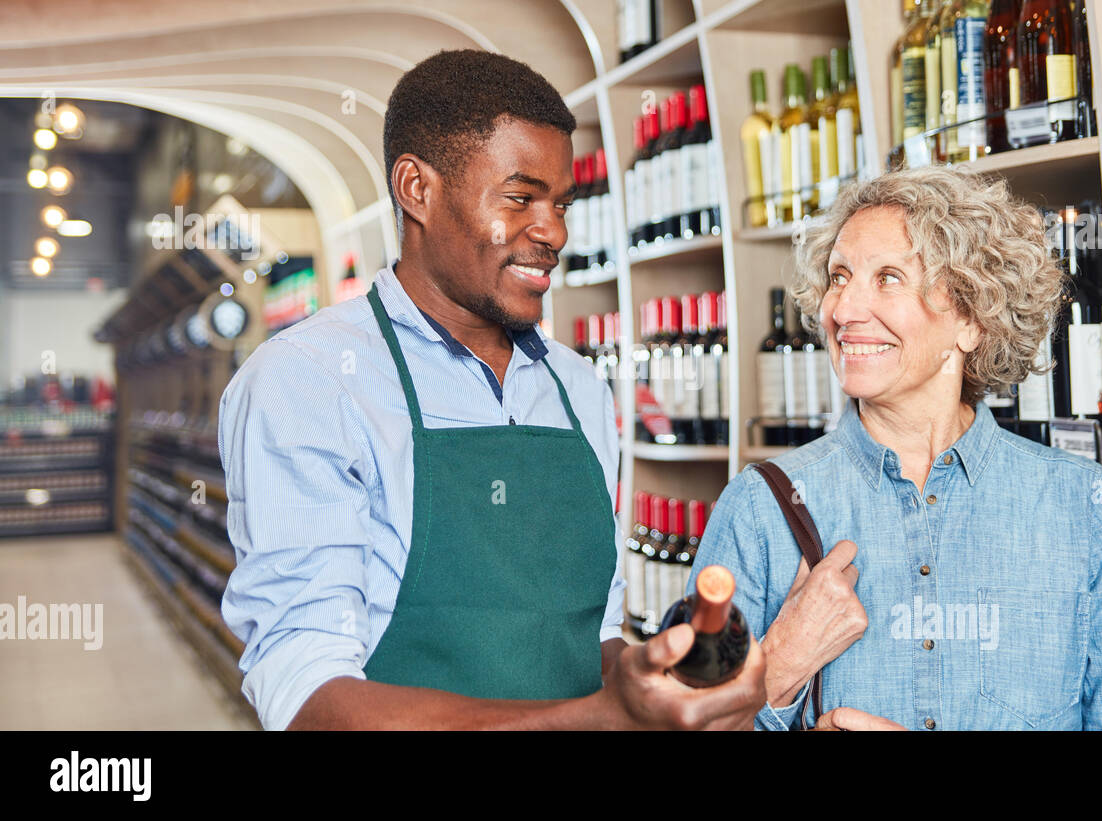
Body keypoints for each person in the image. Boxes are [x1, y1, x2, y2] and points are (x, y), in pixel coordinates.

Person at [219, 49, 764, 730]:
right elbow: (309, 697)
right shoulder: (308, 382)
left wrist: (654, 685)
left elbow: (588, 635)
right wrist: (603, 717)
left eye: (561, 203)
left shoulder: (579, 390)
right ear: (417, 189)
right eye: (520, 198)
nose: (555, 232)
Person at [692, 166, 1102, 731]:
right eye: (838, 277)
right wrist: (779, 665)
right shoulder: (758, 509)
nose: (844, 310)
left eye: (887, 278)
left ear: (971, 319)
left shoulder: (1083, 507)